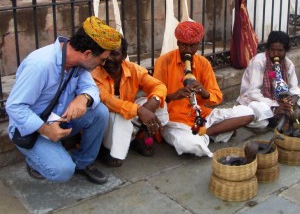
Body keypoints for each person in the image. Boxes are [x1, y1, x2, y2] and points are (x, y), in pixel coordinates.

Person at [6, 16, 122, 184]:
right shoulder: (40, 65)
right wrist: (46, 130)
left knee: (100, 112)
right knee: (62, 171)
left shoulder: (79, 63)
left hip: (58, 119)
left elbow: (91, 89)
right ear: (88, 53)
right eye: (102, 59)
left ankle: (83, 163)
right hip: (32, 128)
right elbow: (15, 106)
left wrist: (84, 98)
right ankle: (35, 160)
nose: (103, 64)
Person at [153, 21, 254, 157]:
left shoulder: (203, 63)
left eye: (192, 46)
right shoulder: (164, 62)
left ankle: (205, 133)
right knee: (191, 145)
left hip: (201, 116)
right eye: (184, 45)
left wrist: (204, 92)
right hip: (174, 120)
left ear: (198, 45)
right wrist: (173, 96)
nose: (188, 50)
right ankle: (216, 132)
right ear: (178, 43)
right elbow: (154, 96)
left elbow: (217, 97)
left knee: (248, 113)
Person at [92, 37, 168, 167]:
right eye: (106, 54)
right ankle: (106, 149)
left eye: (114, 54)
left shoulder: (133, 70)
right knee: (117, 116)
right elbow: (107, 100)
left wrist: (153, 101)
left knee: (161, 106)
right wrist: (139, 110)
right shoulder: (95, 73)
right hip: (107, 118)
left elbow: (159, 86)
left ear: (124, 56)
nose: (109, 58)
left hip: (126, 114)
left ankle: (136, 138)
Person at [237, 30, 300, 129]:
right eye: (272, 50)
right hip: (255, 100)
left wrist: (292, 101)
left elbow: (294, 89)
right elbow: (253, 93)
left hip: (279, 101)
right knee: (261, 116)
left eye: (280, 51)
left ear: (286, 50)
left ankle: (279, 117)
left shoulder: (288, 64)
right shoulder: (259, 61)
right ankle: (275, 117)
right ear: (267, 49)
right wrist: (274, 106)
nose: (276, 54)